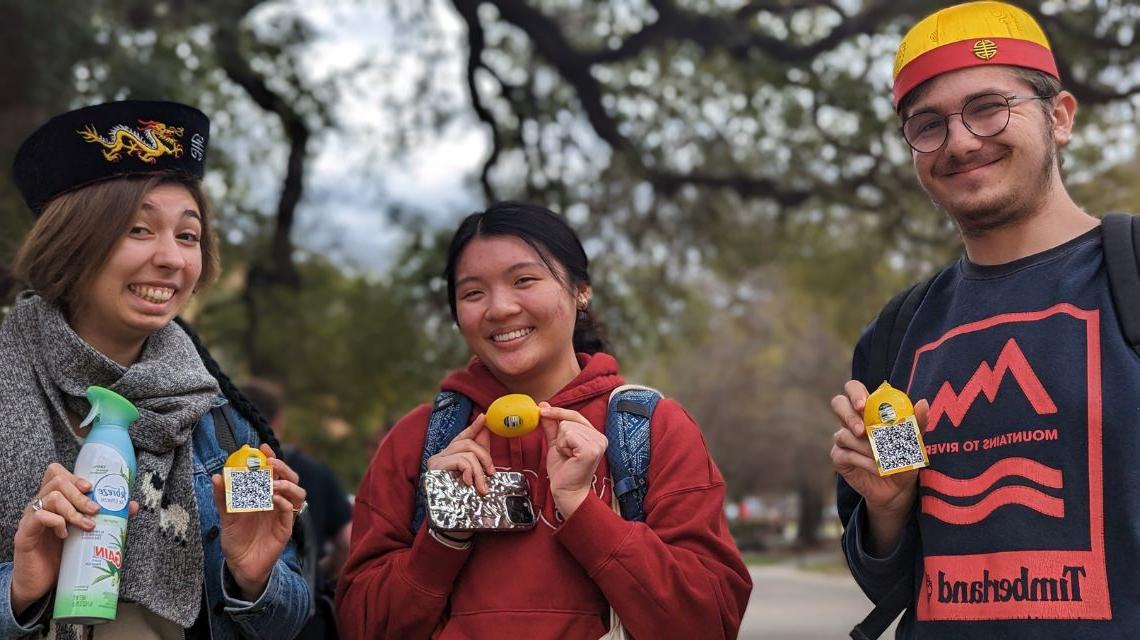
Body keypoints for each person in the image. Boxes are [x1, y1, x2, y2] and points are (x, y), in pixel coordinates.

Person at [831, 2, 1140, 638]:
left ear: (1059, 117)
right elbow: (889, 579)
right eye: (928, 125)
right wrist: (888, 509)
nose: (961, 141)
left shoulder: (1130, 274)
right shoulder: (897, 334)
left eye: (988, 107)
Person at [336, 201, 751, 639]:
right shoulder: (418, 441)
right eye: (473, 292)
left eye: (524, 280)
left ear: (580, 290)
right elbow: (359, 626)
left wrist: (583, 509)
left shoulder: (653, 430)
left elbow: (708, 621)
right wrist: (443, 535)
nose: (499, 308)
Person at [0, 100, 311, 639]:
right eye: (140, 230)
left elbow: (288, 621)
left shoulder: (221, 422)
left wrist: (254, 580)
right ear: (72, 242)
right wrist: (19, 590)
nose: (172, 259)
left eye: (187, 236)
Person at [241, 378, 351, 640]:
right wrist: (323, 573)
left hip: (252, 614)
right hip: (307, 619)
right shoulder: (314, 469)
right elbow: (349, 538)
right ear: (279, 420)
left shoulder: (242, 467)